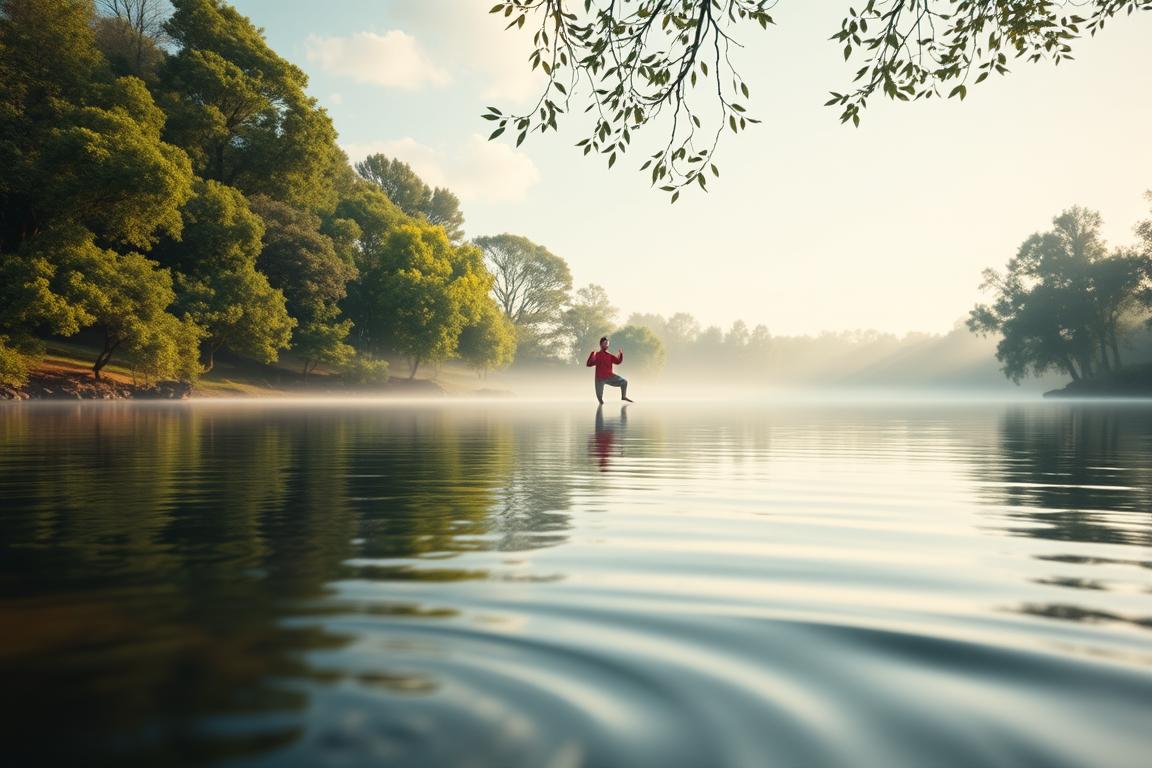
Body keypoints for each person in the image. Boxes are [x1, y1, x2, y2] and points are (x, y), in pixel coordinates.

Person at [586, 336, 632, 404]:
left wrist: (620, 354)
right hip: (600, 378)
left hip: (610, 376)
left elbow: (618, 361)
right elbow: (589, 364)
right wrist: (592, 354)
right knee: (600, 399)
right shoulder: (597, 355)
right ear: (601, 344)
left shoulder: (609, 355)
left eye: (608, 343)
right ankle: (600, 408)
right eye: (605, 343)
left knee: (624, 382)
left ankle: (623, 396)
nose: (607, 345)